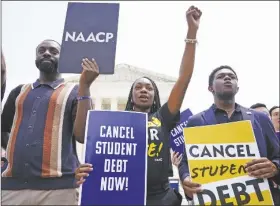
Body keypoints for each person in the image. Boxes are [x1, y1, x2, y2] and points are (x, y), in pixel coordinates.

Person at [75, 5, 202, 205]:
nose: (144, 90)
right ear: (131, 96)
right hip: (121, 196)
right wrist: (84, 169)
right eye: (139, 87)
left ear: (155, 96)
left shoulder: (162, 118)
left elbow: (184, 78)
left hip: (160, 198)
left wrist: (192, 33)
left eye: (149, 88)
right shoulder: (114, 124)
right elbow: (84, 138)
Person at [1, 39, 99, 205]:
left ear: (64, 59)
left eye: (53, 51)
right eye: (42, 50)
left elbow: (83, 135)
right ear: (35, 60)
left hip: (59, 190)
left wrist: (85, 86)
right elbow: (4, 129)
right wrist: (8, 156)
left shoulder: (76, 91)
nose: (46, 53)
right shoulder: (18, 91)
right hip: (12, 189)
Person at [178, 65, 280, 204]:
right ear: (210, 88)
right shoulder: (196, 121)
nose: (227, 78)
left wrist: (275, 167)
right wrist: (185, 178)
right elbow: (185, 161)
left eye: (232, 77)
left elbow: (277, 155)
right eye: (220, 77)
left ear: (237, 88)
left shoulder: (260, 119)